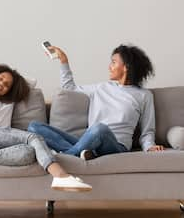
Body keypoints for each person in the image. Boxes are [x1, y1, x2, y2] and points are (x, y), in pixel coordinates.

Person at [0, 64, 92, 192]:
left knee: (29, 152)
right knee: (32, 137)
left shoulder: (8, 103)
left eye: (7, 85)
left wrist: (14, 78)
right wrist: (12, 136)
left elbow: (31, 82)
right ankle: (60, 176)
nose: (2, 84)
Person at [28, 44, 164, 160]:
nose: (109, 66)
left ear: (126, 67)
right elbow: (69, 88)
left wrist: (149, 147)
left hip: (116, 146)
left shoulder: (144, 95)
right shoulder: (101, 88)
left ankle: (68, 157)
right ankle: (82, 153)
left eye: (114, 62)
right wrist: (63, 60)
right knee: (34, 127)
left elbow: (147, 131)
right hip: (90, 141)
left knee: (99, 128)